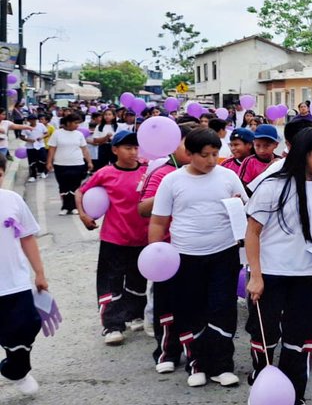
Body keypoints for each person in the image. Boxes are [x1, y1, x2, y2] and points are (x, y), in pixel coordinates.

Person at [244, 128, 312, 405]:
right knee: (266, 334)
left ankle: (294, 395)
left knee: (300, 337)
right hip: (272, 273)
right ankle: (261, 389)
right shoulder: (274, 185)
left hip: (310, 273)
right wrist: (256, 275)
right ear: (304, 153)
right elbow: (252, 232)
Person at [148, 128, 248, 388]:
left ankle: (222, 365)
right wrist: (154, 254)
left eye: (215, 154)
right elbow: (158, 221)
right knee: (190, 310)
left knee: (222, 308)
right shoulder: (172, 181)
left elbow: (248, 213)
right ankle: (196, 364)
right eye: (205, 155)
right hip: (185, 256)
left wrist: (239, 206)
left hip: (223, 254)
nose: (212, 160)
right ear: (189, 154)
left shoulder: (228, 177)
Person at [78, 130, 150, 345]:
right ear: (115, 150)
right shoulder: (105, 173)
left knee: (138, 280)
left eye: (136, 148)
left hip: (142, 238)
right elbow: (80, 192)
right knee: (111, 282)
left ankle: (134, 314)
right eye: (128, 148)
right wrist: (83, 215)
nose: (133, 152)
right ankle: (112, 325)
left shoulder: (148, 172)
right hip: (114, 238)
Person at [138, 122, 198, 369]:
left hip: (194, 249)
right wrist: (168, 191)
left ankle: (194, 353)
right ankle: (167, 353)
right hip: (166, 252)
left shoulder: (205, 171)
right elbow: (142, 209)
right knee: (167, 305)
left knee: (192, 305)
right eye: (189, 144)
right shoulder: (162, 173)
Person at [0, 155, 46, 396]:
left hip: (14, 282)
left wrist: (39, 273)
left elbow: (27, 237)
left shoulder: (12, 200)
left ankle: (17, 370)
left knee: (27, 326)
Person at [47, 111, 92, 215]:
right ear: (68, 123)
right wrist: (49, 162)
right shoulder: (57, 133)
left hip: (77, 164)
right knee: (63, 186)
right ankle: (65, 207)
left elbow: (84, 149)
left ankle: (74, 206)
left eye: (78, 123)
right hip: (60, 164)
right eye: (75, 123)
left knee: (75, 186)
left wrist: (89, 162)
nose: (77, 125)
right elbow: (52, 149)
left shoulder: (79, 134)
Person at [22, 114, 50, 181]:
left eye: (34, 120)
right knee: (32, 161)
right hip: (30, 147)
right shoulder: (26, 127)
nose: (33, 121)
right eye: (31, 120)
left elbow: (47, 133)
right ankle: (33, 175)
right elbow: (22, 137)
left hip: (40, 145)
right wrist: (29, 140)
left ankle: (45, 172)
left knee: (43, 159)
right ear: (28, 120)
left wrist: (41, 137)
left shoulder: (40, 125)